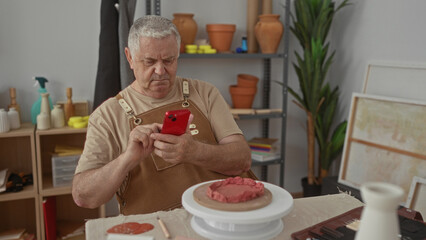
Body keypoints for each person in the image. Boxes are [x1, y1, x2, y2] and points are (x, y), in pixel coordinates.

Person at [72, 15, 255, 215]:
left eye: (169, 60)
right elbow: (83, 196)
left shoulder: (204, 93)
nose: (160, 71)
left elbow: (242, 159)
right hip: (154, 228)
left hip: (217, 216)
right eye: (149, 61)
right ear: (130, 58)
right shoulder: (106, 116)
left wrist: (194, 151)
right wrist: (128, 159)